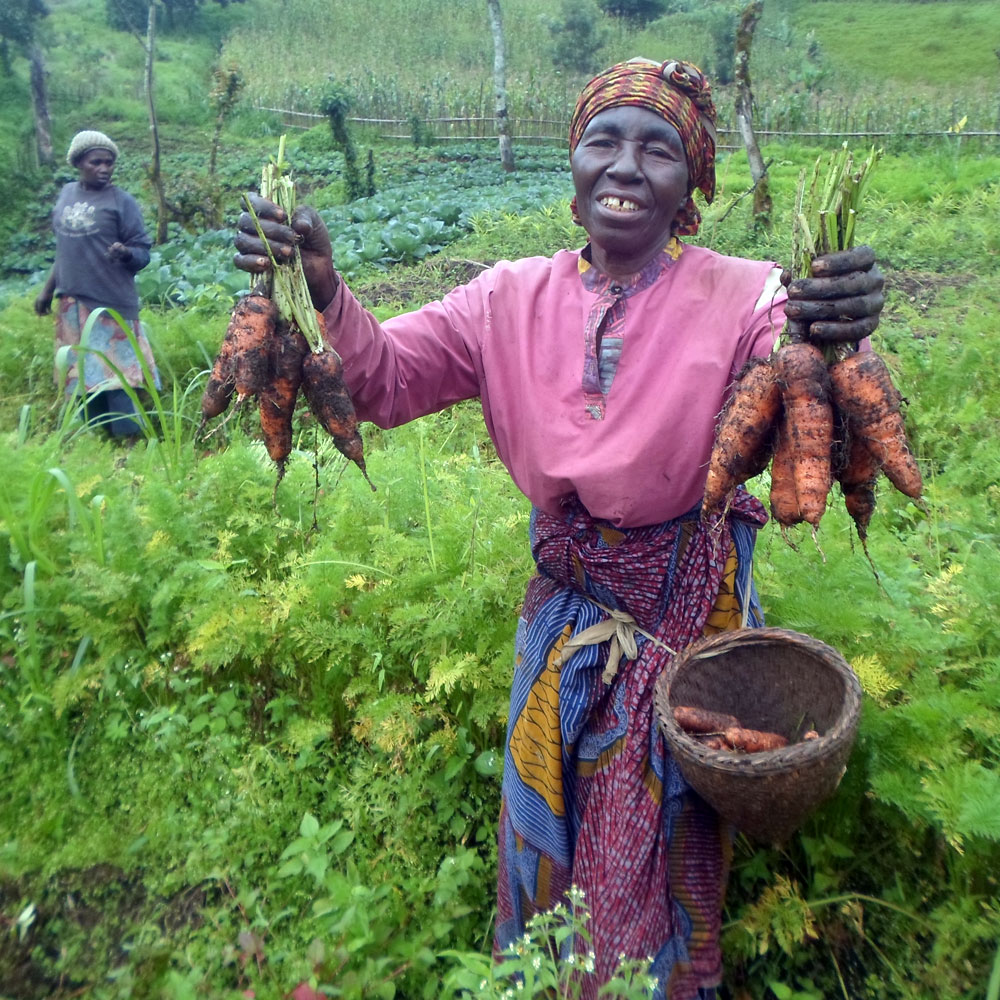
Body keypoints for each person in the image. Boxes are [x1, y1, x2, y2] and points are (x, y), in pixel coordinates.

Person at [233, 58, 883, 1000]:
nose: (624, 168)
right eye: (602, 143)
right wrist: (326, 291)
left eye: (657, 149)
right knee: (547, 824)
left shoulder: (747, 296)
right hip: (565, 616)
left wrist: (838, 330)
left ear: (692, 181)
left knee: (650, 845)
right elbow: (386, 378)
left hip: (681, 621)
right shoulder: (505, 298)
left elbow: (797, 366)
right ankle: (545, 976)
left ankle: (652, 982)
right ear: (572, 164)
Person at [34, 129, 160, 440]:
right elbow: (65, 250)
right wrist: (48, 290)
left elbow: (143, 252)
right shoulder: (66, 195)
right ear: (78, 162)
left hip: (110, 304)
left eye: (109, 163)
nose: (104, 169)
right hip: (72, 305)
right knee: (81, 375)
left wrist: (126, 252)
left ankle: (130, 444)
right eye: (96, 162)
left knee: (119, 378)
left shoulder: (122, 202)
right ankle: (97, 441)